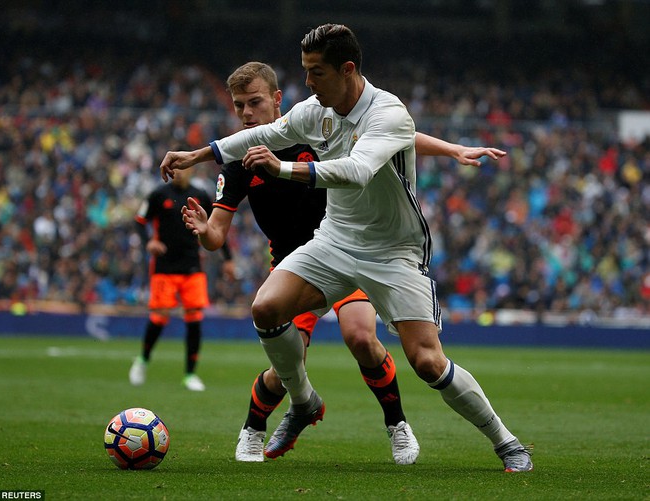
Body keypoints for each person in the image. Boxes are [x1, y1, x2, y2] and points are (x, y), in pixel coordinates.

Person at [164, 24, 532, 472]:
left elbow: (356, 170)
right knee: (265, 308)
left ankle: (505, 440)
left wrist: (280, 169)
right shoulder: (314, 110)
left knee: (427, 361)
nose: (308, 83)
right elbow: (262, 137)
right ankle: (302, 401)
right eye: (305, 72)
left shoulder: (389, 113)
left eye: (316, 72)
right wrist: (196, 155)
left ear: (348, 69)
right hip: (334, 241)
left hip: (392, 251)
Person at [129, 164, 232, 391]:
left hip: (192, 265)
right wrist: (149, 241)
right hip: (164, 266)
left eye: (183, 168)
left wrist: (228, 259)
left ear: (191, 170)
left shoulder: (200, 195)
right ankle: (143, 360)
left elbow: (217, 226)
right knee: (160, 316)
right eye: (175, 169)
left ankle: (190, 374)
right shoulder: (158, 194)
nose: (179, 173)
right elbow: (139, 221)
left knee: (194, 317)